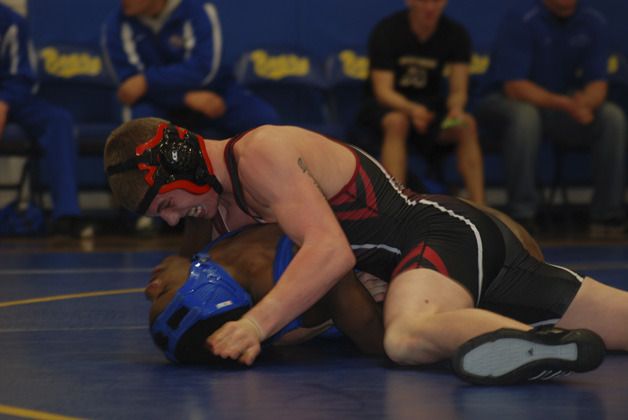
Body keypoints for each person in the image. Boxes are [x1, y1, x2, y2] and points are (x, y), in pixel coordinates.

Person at [104, 118, 628, 385]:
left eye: (169, 204)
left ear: (183, 162)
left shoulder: (260, 153)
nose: (172, 219)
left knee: (403, 338)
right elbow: (193, 261)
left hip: (438, 239)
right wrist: (178, 271)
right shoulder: (216, 205)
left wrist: (255, 326)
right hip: (455, 256)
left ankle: (538, 345)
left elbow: (331, 253)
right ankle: (543, 339)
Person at [474, 0, 626, 235]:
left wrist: (584, 104)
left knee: (611, 117)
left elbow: (598, 84)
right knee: (525, 116)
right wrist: (567, 104)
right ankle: (522, 214)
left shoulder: (593, 21)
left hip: (562, 108)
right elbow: (515, 87)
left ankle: (607, 214)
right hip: (504, 104)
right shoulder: (522, 18)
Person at [146, 223, 385, 364]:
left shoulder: (209, 238)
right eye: (163, 290)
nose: (152, 286)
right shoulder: (283, 276)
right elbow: (377, 341)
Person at [353, 0, 485, 204]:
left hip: (430, 108)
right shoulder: (387, 31)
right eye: (424, 1)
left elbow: (459, 89)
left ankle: (481, 206)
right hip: (387, 108)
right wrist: (412, 110)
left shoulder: (456, 33)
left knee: (466, 124)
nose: (430, 8)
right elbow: (383, 91)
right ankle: (394, 206)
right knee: (398, 122)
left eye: (436, 1)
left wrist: (456, 108)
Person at [102, 0, 280, 136]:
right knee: (138, 128)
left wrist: (147, 80)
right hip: (157, 102)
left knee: (264, 120)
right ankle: (145, 185)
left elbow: (204, 69)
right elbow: (130, 89)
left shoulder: (198, 10)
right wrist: (183, 97)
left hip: (212, 93)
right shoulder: (116, 25)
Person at [0, 4, 92, 237]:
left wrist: (3, 102)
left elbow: (23, 75)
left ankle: (66, 214)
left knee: (58, 120)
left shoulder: (10, 22)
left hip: (12, 98)